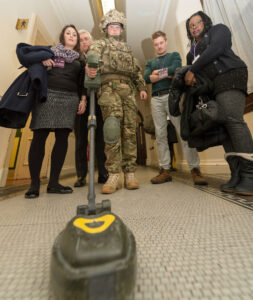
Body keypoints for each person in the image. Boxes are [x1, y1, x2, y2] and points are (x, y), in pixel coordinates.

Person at [185, 11, 253, 195]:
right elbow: (193, 76)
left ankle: (250, 175)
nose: (194, 27)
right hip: (213, 88)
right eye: (191, 25)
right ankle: (237, 174)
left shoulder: (218, 30)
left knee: (233, 120)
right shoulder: (191, 53)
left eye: (198, 22)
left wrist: (193, 69)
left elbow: (217, 49)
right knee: (223, 130)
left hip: (230, 76)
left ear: (205, 22)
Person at [86, 9, 147, 194]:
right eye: (111, 26)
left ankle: (130, 173)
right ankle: (113, 174)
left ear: (121, 29)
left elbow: (136, 70)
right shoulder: (99, 43)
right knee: (111, 129)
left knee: (130, 131)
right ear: (106, 28)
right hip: (108, 89)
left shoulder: (128, 49)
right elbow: (92, 55)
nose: (114, 28)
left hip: (128, 90)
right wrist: (91, 66)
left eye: (118, 26)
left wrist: (142, 87)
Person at [25, 24, 86, 198]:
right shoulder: (49, 52)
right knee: (39, 137)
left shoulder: (80, 61)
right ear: (62, 36)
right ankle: (34, 185)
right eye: (68, 33)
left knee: (62, 139)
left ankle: (53, 183)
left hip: (69, 99)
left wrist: (82, 99)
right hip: (47, 96)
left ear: (77, 40)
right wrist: (41, 61)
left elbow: (81, 83)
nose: (72, 36)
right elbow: (26, 57)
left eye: (75, 34)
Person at [144, 30, 207, 185]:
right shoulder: (149, 62)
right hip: (156, 100)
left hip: (172, 96)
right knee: (160, 136)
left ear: (165, 42)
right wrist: (162, 74)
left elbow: (176, 69)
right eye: (156, 44)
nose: (159, 46)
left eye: (161, 43)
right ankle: (165, 170)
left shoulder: (174, 56)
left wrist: (156, 74)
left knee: (182, 132)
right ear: (154, 46)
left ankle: (195, 169)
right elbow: (146, 78)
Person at [74, 29, 108, 188]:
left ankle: (103, 172)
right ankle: (81, 175)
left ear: (92, 41)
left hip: (98, 102)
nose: (84, 42)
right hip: (81, 105)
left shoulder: (101, 59)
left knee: (100, 139)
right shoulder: (76, 61)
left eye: (86, 38)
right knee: (81, 139)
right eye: (80, 40)